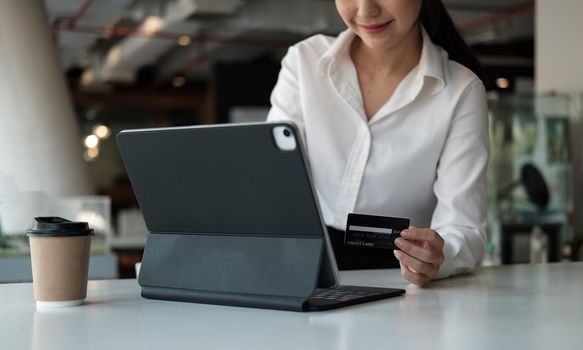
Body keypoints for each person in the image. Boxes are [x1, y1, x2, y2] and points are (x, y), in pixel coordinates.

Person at [266, 0, 489, 286]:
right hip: (301, 264)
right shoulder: (304, 62)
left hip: (398, 275)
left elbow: (464, 226)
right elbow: (274, 180)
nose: (365, 11)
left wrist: (439, 255)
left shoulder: (461, 91)